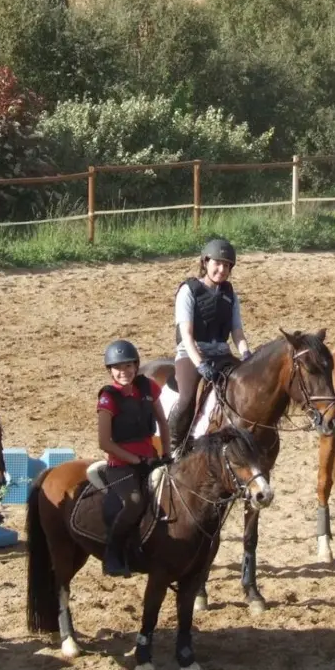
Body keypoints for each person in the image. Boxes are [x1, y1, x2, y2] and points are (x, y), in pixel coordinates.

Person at [96, 340, 171, 578]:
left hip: (149, 458)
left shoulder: (148, 388)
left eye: (128, 366)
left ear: (136, 366)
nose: (123, 372)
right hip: (121, 465)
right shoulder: (108, 399)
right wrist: (135, 459)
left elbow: (163, 423)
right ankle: (112, 553)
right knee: (136, 501)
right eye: (117, 368)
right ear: (110, 371)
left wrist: (167, 453)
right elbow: (104, 442)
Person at [167, 238, 251, 454]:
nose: (222, 270)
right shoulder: (188, 290)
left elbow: (237, 331)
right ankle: (175, 445)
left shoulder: (230, 295)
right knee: (186, 399)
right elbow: (186, 334)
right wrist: (200, 364)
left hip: (222, 354)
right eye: (218, 264)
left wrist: (246, 353)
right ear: (205, 262)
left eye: (227, 266)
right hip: (192, 354)